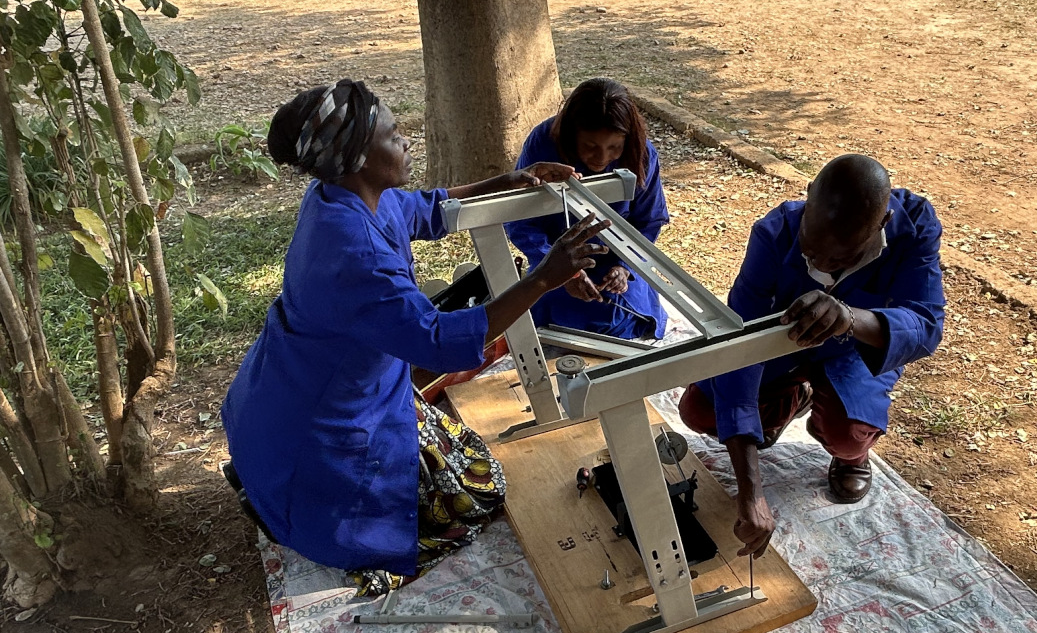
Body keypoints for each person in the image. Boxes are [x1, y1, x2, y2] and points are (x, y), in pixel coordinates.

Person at [220, 79, 611, 592]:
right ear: (358, 156)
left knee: (461, 458)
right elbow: (437, 341)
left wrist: (511, 181)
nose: (406, 142)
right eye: (394, 133)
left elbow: (426, 209)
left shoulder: (342, 197)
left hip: (294, 384)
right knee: (481, 493)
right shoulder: (353, 255)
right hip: (324, 427)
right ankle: (302, 511)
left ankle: (272, 484)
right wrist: (543, 277)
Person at [679, 154, 945, 559]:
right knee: (701, 409)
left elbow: (926, 326)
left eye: (839, 260)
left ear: (882, 224)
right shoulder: (773, 234)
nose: (820, 265)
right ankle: (792, 398)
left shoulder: (914, 227)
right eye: (810, 251)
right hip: (781, 350)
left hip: (854, 351)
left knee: (846, 431)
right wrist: (750, 492)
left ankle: (853, 456)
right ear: (807, 201)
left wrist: (850, 319)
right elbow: (738, 346)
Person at [505, 78, 669, 339]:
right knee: (552, 323)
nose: (602, 158)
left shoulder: (641, 153)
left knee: (622, 319)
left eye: (614, 147)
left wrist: (624, 267)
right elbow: (519, 221)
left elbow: (648, 221)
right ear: (572, 136)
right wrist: (561, 270)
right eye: (591, 147)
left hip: (618, 259)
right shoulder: (544, 144)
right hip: (554, 258)